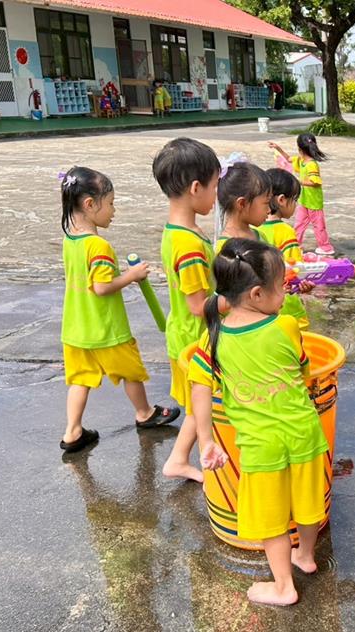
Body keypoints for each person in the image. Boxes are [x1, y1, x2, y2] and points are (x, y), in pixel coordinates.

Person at [190, 238, 330, 607]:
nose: (285, 293)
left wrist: (206, 441)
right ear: (256, 294)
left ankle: (284, 585)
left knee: (272, 521)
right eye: (281, 286)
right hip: (304, 433)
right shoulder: (286, 326)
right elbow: (303, 370)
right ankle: (306, 555)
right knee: (307, 502)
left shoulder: (213, 339)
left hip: (260, 445)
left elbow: (199, 388)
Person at [58, 166, 180, 452]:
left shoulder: (70, 239)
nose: (114, 211)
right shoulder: (98, 246)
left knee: (80, 380)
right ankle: (145, 413)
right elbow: (101, 287)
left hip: (76, 328)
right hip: (107, 328)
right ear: (90, 204)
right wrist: (132, 275)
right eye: (111, 203)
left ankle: (73, 431)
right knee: (131, 372)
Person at [152, 137, 221, 482]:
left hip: (186, 334)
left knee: (197, 406)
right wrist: (241, 301)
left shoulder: (181, 231)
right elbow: (198, 305)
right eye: (214, 186)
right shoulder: (188, 245)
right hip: (194, 340)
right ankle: (179, 460)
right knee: (199, 407)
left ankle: (179, 460)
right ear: (196, 188)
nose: (217, 195)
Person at [257, 167, 313, 330]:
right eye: (294, 200)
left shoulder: (254, 228)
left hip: (263, 306)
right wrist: (306, 281)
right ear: (282, 200)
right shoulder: (285, 231)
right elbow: (296, 270)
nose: (296, 205)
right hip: (287, 305)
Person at [268, 134, 334, 255]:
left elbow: (315, 182)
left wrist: (299, 182)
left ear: (300, 149)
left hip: (314, 202)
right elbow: (289, 159)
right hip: (304, 200)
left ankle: (325, 247)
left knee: (318, 225)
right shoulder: (301, 160)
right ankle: (295, 244)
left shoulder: (312, 165)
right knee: (299, 224)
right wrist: (278, 148)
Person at [215, 161, 271, 253]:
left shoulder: (260, 235)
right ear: (242, 204)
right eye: (266, 203)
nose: (269, 210)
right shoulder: (225, 248)